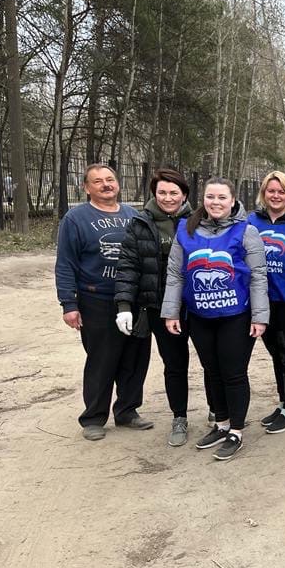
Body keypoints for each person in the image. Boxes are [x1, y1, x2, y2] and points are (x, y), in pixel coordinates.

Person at [161, 177, 268, 461]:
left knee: (233, 373)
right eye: (211, 197)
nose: (216, 202)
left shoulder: (247, 232)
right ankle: (220, 423)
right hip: (200, 316)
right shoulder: (186, 229)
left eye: (222, 198)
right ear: (203, 200)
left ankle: (236, 429)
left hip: (236, 316)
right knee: (211, 370)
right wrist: (171, 311)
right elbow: (175, 274)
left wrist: (260, 317)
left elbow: (258, 277)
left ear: (232, 201)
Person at [55, 163, 153, 441]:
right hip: (96, 298)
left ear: (118, 183)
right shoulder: (75, 219)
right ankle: (94, 417)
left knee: (135, 357)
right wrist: (69, 304)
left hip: (134, 299)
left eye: (110, 179)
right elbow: (65, 264)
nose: (106, 184)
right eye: (97, 181)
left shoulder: (134, 216)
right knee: (101, 359)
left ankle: (127, 411)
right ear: (87, 188)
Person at [114, 167, 197, 446]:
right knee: (174, 364)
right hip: (161, 308)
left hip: (198, 304)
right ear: (154, 194)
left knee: (214, 361)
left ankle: (218, 412)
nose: (168, 197)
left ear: (184, 194)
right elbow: (128, 266)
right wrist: (124, 304)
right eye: (162, 192)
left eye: (174, 192)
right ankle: (180, 417)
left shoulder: (200, 220)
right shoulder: (141, 223)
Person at [248, 171, 285, 433]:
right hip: (262, 300)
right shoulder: (252, 221)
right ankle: (283, 402)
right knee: (275, 354)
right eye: (271, 191)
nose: (276, 196)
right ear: (264, 193)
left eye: (281, 191)